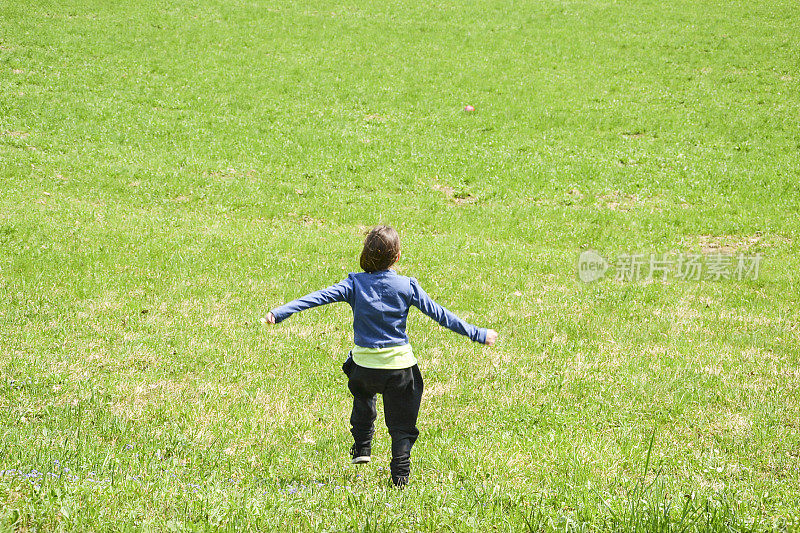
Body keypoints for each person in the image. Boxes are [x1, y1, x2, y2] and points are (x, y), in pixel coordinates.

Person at [262, 225, 498, 487]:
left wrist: (280, 312)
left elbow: (317, 297)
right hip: (400, 370)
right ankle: (400, 475)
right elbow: (441, 315)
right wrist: (478, 333)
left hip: (365, 368)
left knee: (361, 387)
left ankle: (362, 446)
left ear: (364, 254)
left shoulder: (354, 284)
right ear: (397, 257)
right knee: (402, 424)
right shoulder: (406, 285)